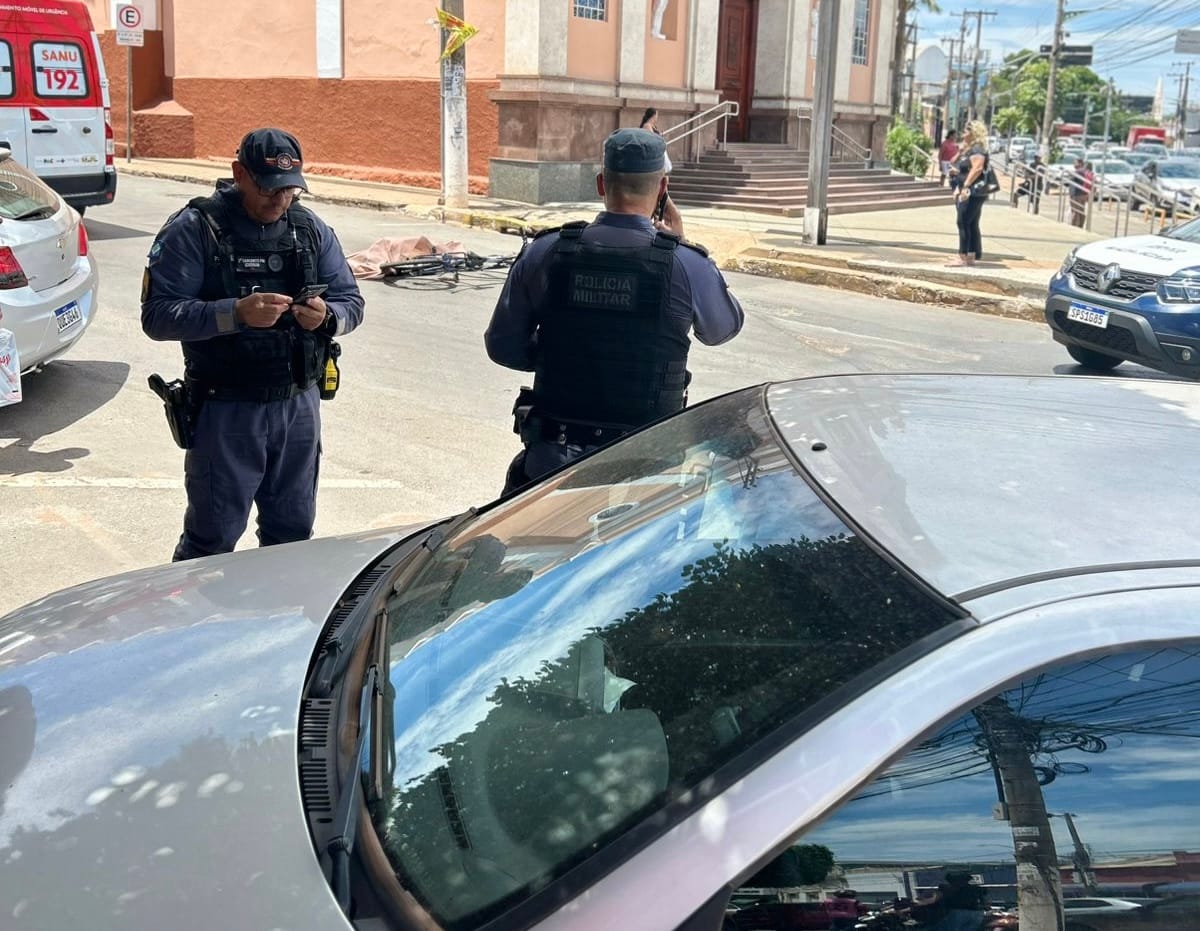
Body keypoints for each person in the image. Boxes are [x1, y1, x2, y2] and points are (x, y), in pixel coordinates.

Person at [141, 127, 365, 561]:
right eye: (268, 190)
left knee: (292, 536)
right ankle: (194, 627)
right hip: (226, 409)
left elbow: (351, 300)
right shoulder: (196, 228)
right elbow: (157, 316)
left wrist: (328, 317)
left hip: (298, 407)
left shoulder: (308, 228)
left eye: (290, 192)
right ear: (239, 173)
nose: (280, 202)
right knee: (211, 541)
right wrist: (235, 313)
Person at [484, 127, 745, 495]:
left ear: (601, 184)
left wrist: (565, 356)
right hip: (648, 470)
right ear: (663, 187)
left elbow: (503, 347)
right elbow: (721, 330)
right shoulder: (686, 264)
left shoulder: (545, 251)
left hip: (552, 469)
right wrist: (681, 243)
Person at [948, 120, 990, 267]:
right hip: (973, 190)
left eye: (966, 131)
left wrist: (965, 186)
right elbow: (968, 168)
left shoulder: (977, 149)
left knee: (963, 221)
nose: (963, 134)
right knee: (971, 222)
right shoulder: (971, 149)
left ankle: (962, 256)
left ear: (973, 133)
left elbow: (977, 168)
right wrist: (958, 172)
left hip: (972, 191)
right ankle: (971, 255)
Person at [1068, 156, 1089, 227]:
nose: (1074, 164)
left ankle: (1073, 226)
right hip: (1083, 194)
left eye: (1075, 163)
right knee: (1081, 210)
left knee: (1075, 211)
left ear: (1080, 164)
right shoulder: (1085, 171)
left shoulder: (1079, 172)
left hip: (1076, 194)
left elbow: (1071, 177)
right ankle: (1080, 225)